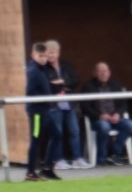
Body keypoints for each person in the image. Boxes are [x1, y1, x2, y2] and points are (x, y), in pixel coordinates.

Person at [44, 40, 91, 170]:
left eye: (53, 52)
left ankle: (78, 159)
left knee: (74, 131)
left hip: (69, 103)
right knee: (57, 132)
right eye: (48, 53)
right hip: (53, 105)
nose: (50, 55)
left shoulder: (66, 65)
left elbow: (75, 80)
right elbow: (44, 85)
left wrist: (63, 82)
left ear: (58, 53)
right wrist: (56, 86)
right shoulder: (43, 68)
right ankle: (59, 160)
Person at [80, 62, 132, 166]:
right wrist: (99, 115)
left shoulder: (115, 84)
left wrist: (118, 114)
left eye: (105, 71)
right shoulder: (88, 86)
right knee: (104, 126)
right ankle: (101, 157)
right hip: (98, 120)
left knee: (130, 125)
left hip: (115, 118)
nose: (103, 74)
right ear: (94, 73)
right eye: (100, 71)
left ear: (109, 73)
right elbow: (85, 107)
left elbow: (124, 104)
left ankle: (116, 153)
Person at [25, 42, 62, 181]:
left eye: (45, 56)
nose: (43, 58)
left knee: (57, 135)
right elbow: (31, 92)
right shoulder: (33, 71)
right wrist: (47, 96)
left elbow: (45, 88)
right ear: (33, 55)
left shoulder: (43, 69)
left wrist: (57, 87)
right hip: (37, 112)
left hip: (45, 110)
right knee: (36, 140)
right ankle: (30, 172)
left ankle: (47, 168)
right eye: (40, 56)